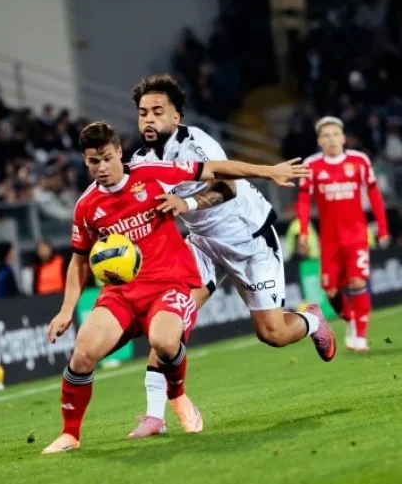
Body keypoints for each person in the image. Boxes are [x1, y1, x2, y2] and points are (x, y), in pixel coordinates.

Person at [42, 121, 309, 454]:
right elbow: (80, 260)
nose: (102, 167)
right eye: (94, 161)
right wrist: (67, 309)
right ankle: (70, 434)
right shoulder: (86, 206)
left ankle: (178, 397)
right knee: (83, 353)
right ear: (85, 161)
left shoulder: (150, 173)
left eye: (107, 158)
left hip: (170, 283)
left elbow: (214, 168)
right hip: (121, 293)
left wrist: (268, 171)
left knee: (164, 340)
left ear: (119, 153)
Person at [127, 74, 336, 439]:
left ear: (176, 117)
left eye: (158, 111)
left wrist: (186, 202)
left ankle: (312, 322)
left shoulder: (197, 143)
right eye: (143, 112)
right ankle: (155, 414)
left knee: (272, 334)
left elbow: (227, 187)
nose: (149, 119)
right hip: (202, 244)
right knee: (168, 318)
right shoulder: (140, 160)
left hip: (249, 239)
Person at [296, 117, 390, 353]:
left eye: (336, 134)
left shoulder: (360, 161)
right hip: (329, 240)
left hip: (357, 235)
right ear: (319, 140)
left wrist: (382, 227)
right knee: (331, 292)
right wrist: (304, 232)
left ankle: (360, 336)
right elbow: (304, 200)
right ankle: (350, 320)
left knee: (358, 282)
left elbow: (375, 194)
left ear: (344, 137)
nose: (332, 139)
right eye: (326, 135)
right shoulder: (312, 165)